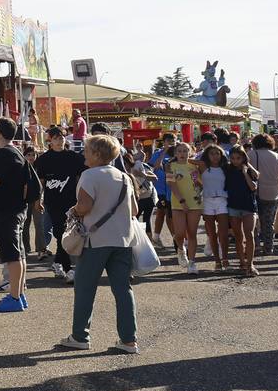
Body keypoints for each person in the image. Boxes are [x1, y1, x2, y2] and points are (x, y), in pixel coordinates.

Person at [57, 134, 140, 354]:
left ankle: (80, 336)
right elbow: (135, 211)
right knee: (123, 290)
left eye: (86, 150)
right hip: (122, 239)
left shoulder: (89, 175)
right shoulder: (124, 177)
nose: (83, 153)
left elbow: (84, 206)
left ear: (96, 153)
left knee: (85, 288)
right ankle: (128, 339)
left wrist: (73, 211)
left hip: (95, 240)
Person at [0, 118, 37, 312]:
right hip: (17, 208)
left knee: (12, 254)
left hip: (6, 209)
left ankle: (14, 297)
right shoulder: (16, 152)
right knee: (19, 252)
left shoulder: (3, 154)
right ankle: (19, 293)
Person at [34, 125, 85, 284]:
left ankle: (58, 263)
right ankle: (68, 269)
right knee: (59, 232)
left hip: (71, 202)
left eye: (62, 137)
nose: (59, 140)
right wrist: (38, 200)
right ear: (50, 141)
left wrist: (81, 200)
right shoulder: (43, 160)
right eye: (56, 138)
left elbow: (80, 180)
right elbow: (40, 183)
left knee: (68, 233)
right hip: (52, 202)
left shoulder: (74, 157)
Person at [248, 134, 278, 256]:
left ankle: (254, 246)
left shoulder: (250, 155)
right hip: (273, 194)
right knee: (269, 223)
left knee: (253, 223)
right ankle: (268, 247)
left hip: (254, 193)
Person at [224, 146, 261, 277]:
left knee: (249, 234)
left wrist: (245, 172)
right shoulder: (228, 169)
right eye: (233, 158)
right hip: (233, 206)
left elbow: (253, 187)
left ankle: (250, 264)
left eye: (238, 158)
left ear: (244, 157)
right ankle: (242, 262)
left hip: (249, 206)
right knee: (238, 236)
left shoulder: (250, 171)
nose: (235, 161)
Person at [166, 142, 202, 274]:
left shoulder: (194, 166)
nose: (182, 154)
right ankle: (181, 249)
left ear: (190, 152)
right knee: (180, 233)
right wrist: (182, 201)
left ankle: (192, 263)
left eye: (185, 151)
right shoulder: (170, 166)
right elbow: (171, 184)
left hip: (195, 203)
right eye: (179, 151)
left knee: (192, 233)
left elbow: (200, 183)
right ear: (175, 153)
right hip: (178, 203)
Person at [195, 145, 232, 271]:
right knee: (211, 234)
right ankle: (217, 261)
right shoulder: (203, 165)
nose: (215, 156)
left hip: (222, 200)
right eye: (212, 153)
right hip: (207, 201)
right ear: (207, 155)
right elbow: (185, 160)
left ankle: (225, 259)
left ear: (221, 154)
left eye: (217, 153)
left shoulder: (226, 167)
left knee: (223, 233)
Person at [148, 133, 176, 247]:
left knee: (168, 214)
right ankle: (171, 238)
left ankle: (158, 237)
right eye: (168, 140)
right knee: (163, 213)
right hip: (160, 189)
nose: (171, 142)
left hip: (173, 189)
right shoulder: (158, 153)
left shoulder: (178, 152)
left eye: (173, 140)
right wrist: (164, 151)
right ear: (163, 142)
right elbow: (154, 167)